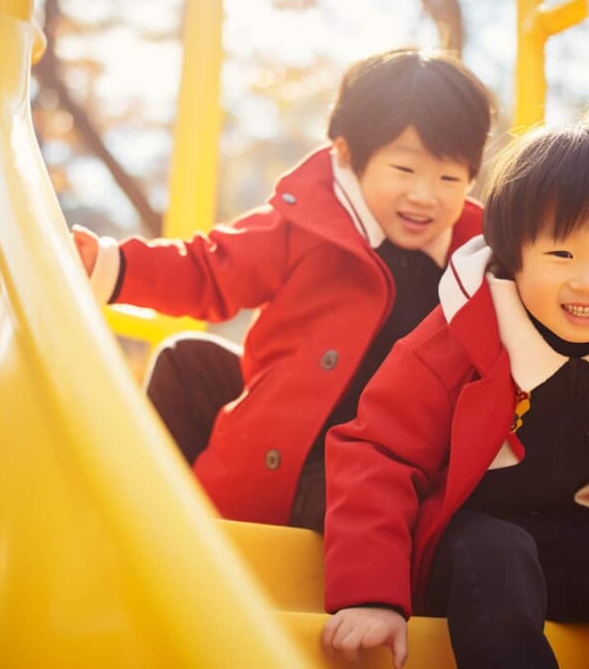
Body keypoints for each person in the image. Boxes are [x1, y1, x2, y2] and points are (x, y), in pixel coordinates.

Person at [321, 115, 589, 669]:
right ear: (516, 253)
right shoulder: (450, 344)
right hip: (458, 540)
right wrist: (371, 594)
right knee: (499, 554)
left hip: (558, 538)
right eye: (562, 254)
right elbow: (376, 455)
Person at [72, 48, 494, 532]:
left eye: (449, 177)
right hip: (291, 442)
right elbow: (210, 269)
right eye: (404, 170)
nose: (424, 195)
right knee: (187, 361)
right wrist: (111, 263)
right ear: (347, 155)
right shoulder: (309, 224)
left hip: (370, 471)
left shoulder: (480, 259)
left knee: (361, 493)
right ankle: (136, 519)